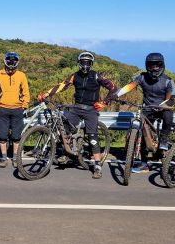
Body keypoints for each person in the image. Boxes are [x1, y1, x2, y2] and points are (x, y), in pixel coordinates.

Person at [38, 51, 117, 179]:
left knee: (92, 137)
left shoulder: (97, 76)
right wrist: (47, 94)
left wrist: (104, 103)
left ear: (91, 64)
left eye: (87, 62)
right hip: (76, 107)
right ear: (79, 63)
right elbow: (62, 85)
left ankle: (97, 166)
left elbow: (113, 88)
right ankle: (67, 153)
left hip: (91, 109)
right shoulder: (75, 76)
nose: (85, 65)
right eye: (83, 62)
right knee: (64, 128)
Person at [113, 52, 175, 173]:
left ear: (162, 65)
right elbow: (130, 86)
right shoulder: (142, 77)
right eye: (151, 66)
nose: (154, 68)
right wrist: (116, 94)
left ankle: (163, 140)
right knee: (142, 132)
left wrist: (163, 106)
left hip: (163, 108)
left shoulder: (168, 81)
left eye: (157, 65)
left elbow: (170, 100)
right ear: (147, 66)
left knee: (168, 116)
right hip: (148, 109)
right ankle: (144, 163)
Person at [0, 52, 30, 168]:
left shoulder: (21, 75)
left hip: (17, 109)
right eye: (9, 61)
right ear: (5, 61)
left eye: (14, 61)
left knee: (16, 136)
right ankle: (3, 158)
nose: (11, 63)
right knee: (2, 136)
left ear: (17, 62)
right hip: (3, 109)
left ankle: (15, 158)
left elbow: (26, 92)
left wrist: (24, 105)